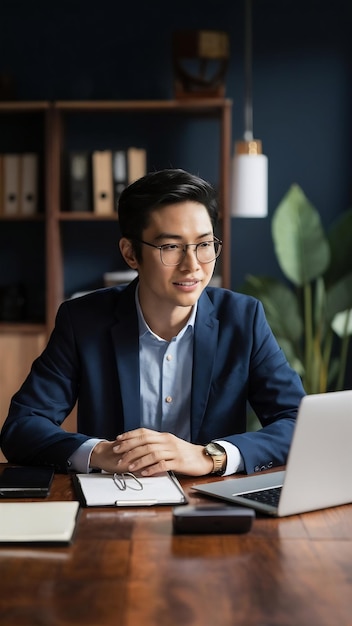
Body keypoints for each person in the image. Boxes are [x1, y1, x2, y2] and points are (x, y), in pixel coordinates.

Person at [0, 168, 305, 477]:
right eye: (171, 247)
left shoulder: (243, 318)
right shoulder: (83, 321)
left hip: (211, 503)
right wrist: (100, 452)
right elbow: (22, 427)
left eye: (204, 244)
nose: (193, 266)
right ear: (130, 253)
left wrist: (210, 456)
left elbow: (297, 422)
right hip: (115, 503)